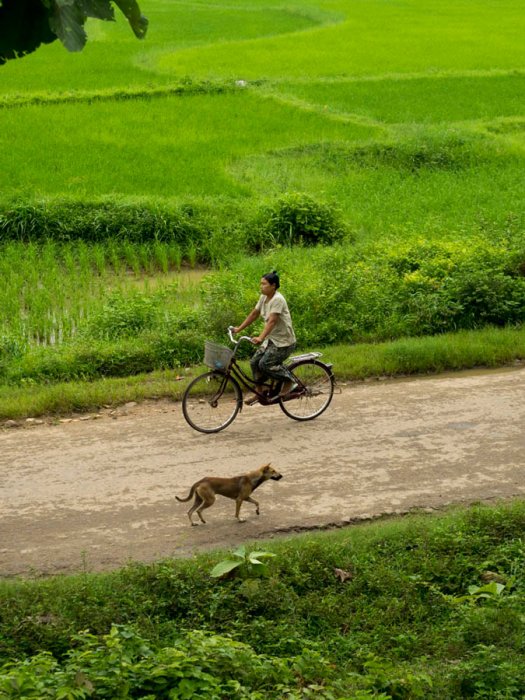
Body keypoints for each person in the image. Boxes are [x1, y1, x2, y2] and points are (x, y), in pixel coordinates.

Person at [232, 271, 297, 404]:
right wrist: (238, 329)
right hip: (271, 340)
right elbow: (254, 314)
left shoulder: (278, 299)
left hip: (284, 342)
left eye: (264, 284)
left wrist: (261, 337)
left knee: (265, 364)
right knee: (254, 362)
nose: (261, 286)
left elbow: (272, 321)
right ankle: (260, 392)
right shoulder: (264, 298)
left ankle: (289, 380)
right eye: (261, 284)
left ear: (273, 286)